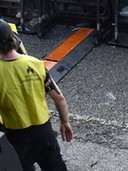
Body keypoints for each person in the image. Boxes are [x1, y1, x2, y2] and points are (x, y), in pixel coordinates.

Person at [0, 22, 73, 170]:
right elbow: (59, 98)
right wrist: (65, 122)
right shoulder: (35, 64)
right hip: (43, 133)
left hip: (15, 137)